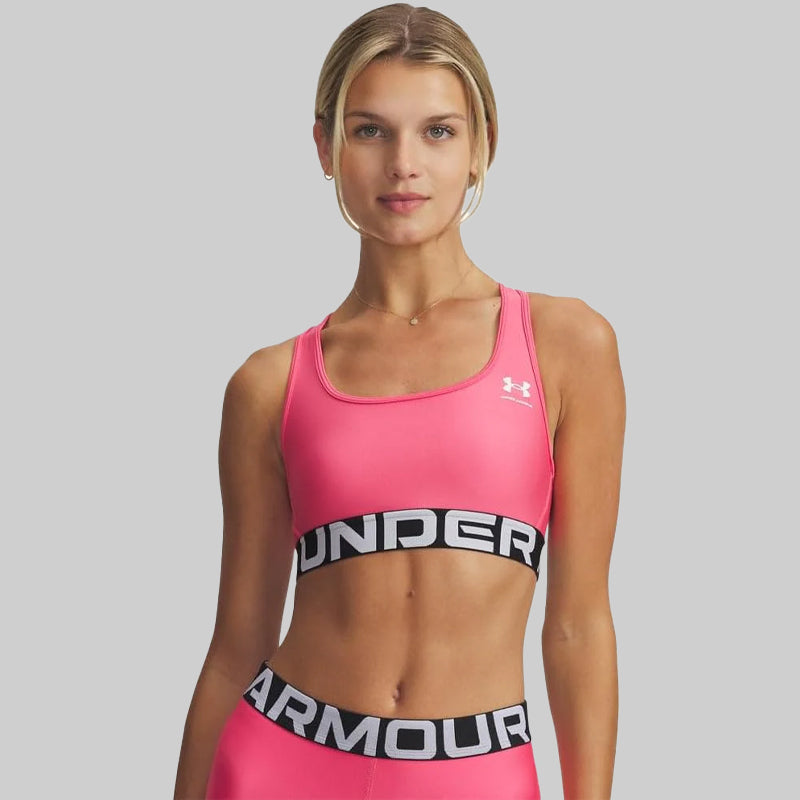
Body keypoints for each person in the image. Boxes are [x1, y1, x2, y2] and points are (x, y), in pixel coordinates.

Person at [174, 4, 625, 799]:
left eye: (438, 132)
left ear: (483, 146)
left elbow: (578, 625)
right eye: (370, 131)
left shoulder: (565, 346)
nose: (404, 164)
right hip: (280, 763)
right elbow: (235, 647)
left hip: (475, 774)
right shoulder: (268, 385)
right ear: (325, 148)